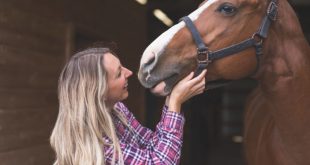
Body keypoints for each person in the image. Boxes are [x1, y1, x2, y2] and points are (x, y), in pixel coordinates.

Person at [50, 47, 207, 165]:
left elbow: (150, 145)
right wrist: (175, 103)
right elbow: (161, 162)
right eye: (119, 73)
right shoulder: (94, 145)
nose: (129, 72)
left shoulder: (117, 109)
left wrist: (169, 98)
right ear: (99, 91)